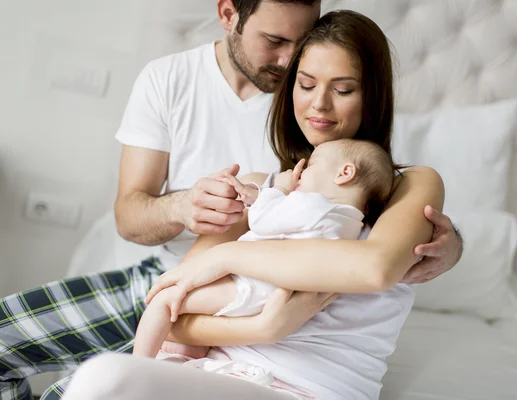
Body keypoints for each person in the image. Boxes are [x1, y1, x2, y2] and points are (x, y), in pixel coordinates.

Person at [0, 1, 462, 399]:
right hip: (228, 364)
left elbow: (374, 269)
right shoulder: (269, 186)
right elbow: (176, 310)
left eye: (343, 90)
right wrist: (264, 327)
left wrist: (228, 255)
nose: (319, 104)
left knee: (101, 381)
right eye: (304, 84)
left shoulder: (412, 182)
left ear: (372, 94)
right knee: (81, 386)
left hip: (312, 384)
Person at [133, 139, 399, 360]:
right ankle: (189, 353)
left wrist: (280, 188)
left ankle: (136, 368)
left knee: (164, 302)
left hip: (253, 286)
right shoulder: (349, 223)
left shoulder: (315, 206)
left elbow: (263, 220)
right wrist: (257, 194)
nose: (299, 173)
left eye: (310, 166)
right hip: (271, 291)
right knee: (189, 316)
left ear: (344, 173)